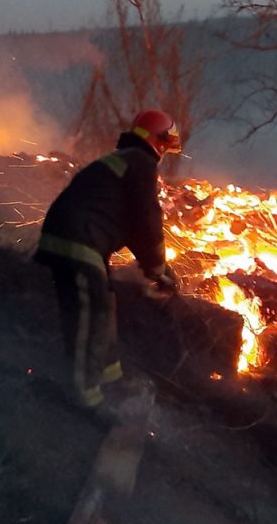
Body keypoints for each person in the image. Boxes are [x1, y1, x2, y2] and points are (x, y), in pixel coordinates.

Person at [34, 110, 181, 408]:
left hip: (79, 239)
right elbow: (147, 219)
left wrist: (153, 267)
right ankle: (84, 396)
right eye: (167, 144)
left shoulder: (124, 160)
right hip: (78, 240)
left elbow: (126, 222)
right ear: (159, 140)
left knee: (103, 304)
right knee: (90, 317)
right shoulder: (141, 163)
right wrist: (158, 268)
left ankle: (111, 379)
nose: (166, 152)